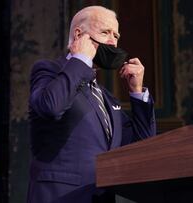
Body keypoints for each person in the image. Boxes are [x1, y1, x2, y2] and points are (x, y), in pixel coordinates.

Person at [27, 5, 156, 203]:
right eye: (105, 33)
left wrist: (137, 92)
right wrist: (80, 59)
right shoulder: (49, 70)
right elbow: (50, 106)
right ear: (79, 35)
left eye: (116, 36)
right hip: (61, 196)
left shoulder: (106, 98)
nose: (113, 42)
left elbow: (143, 146)